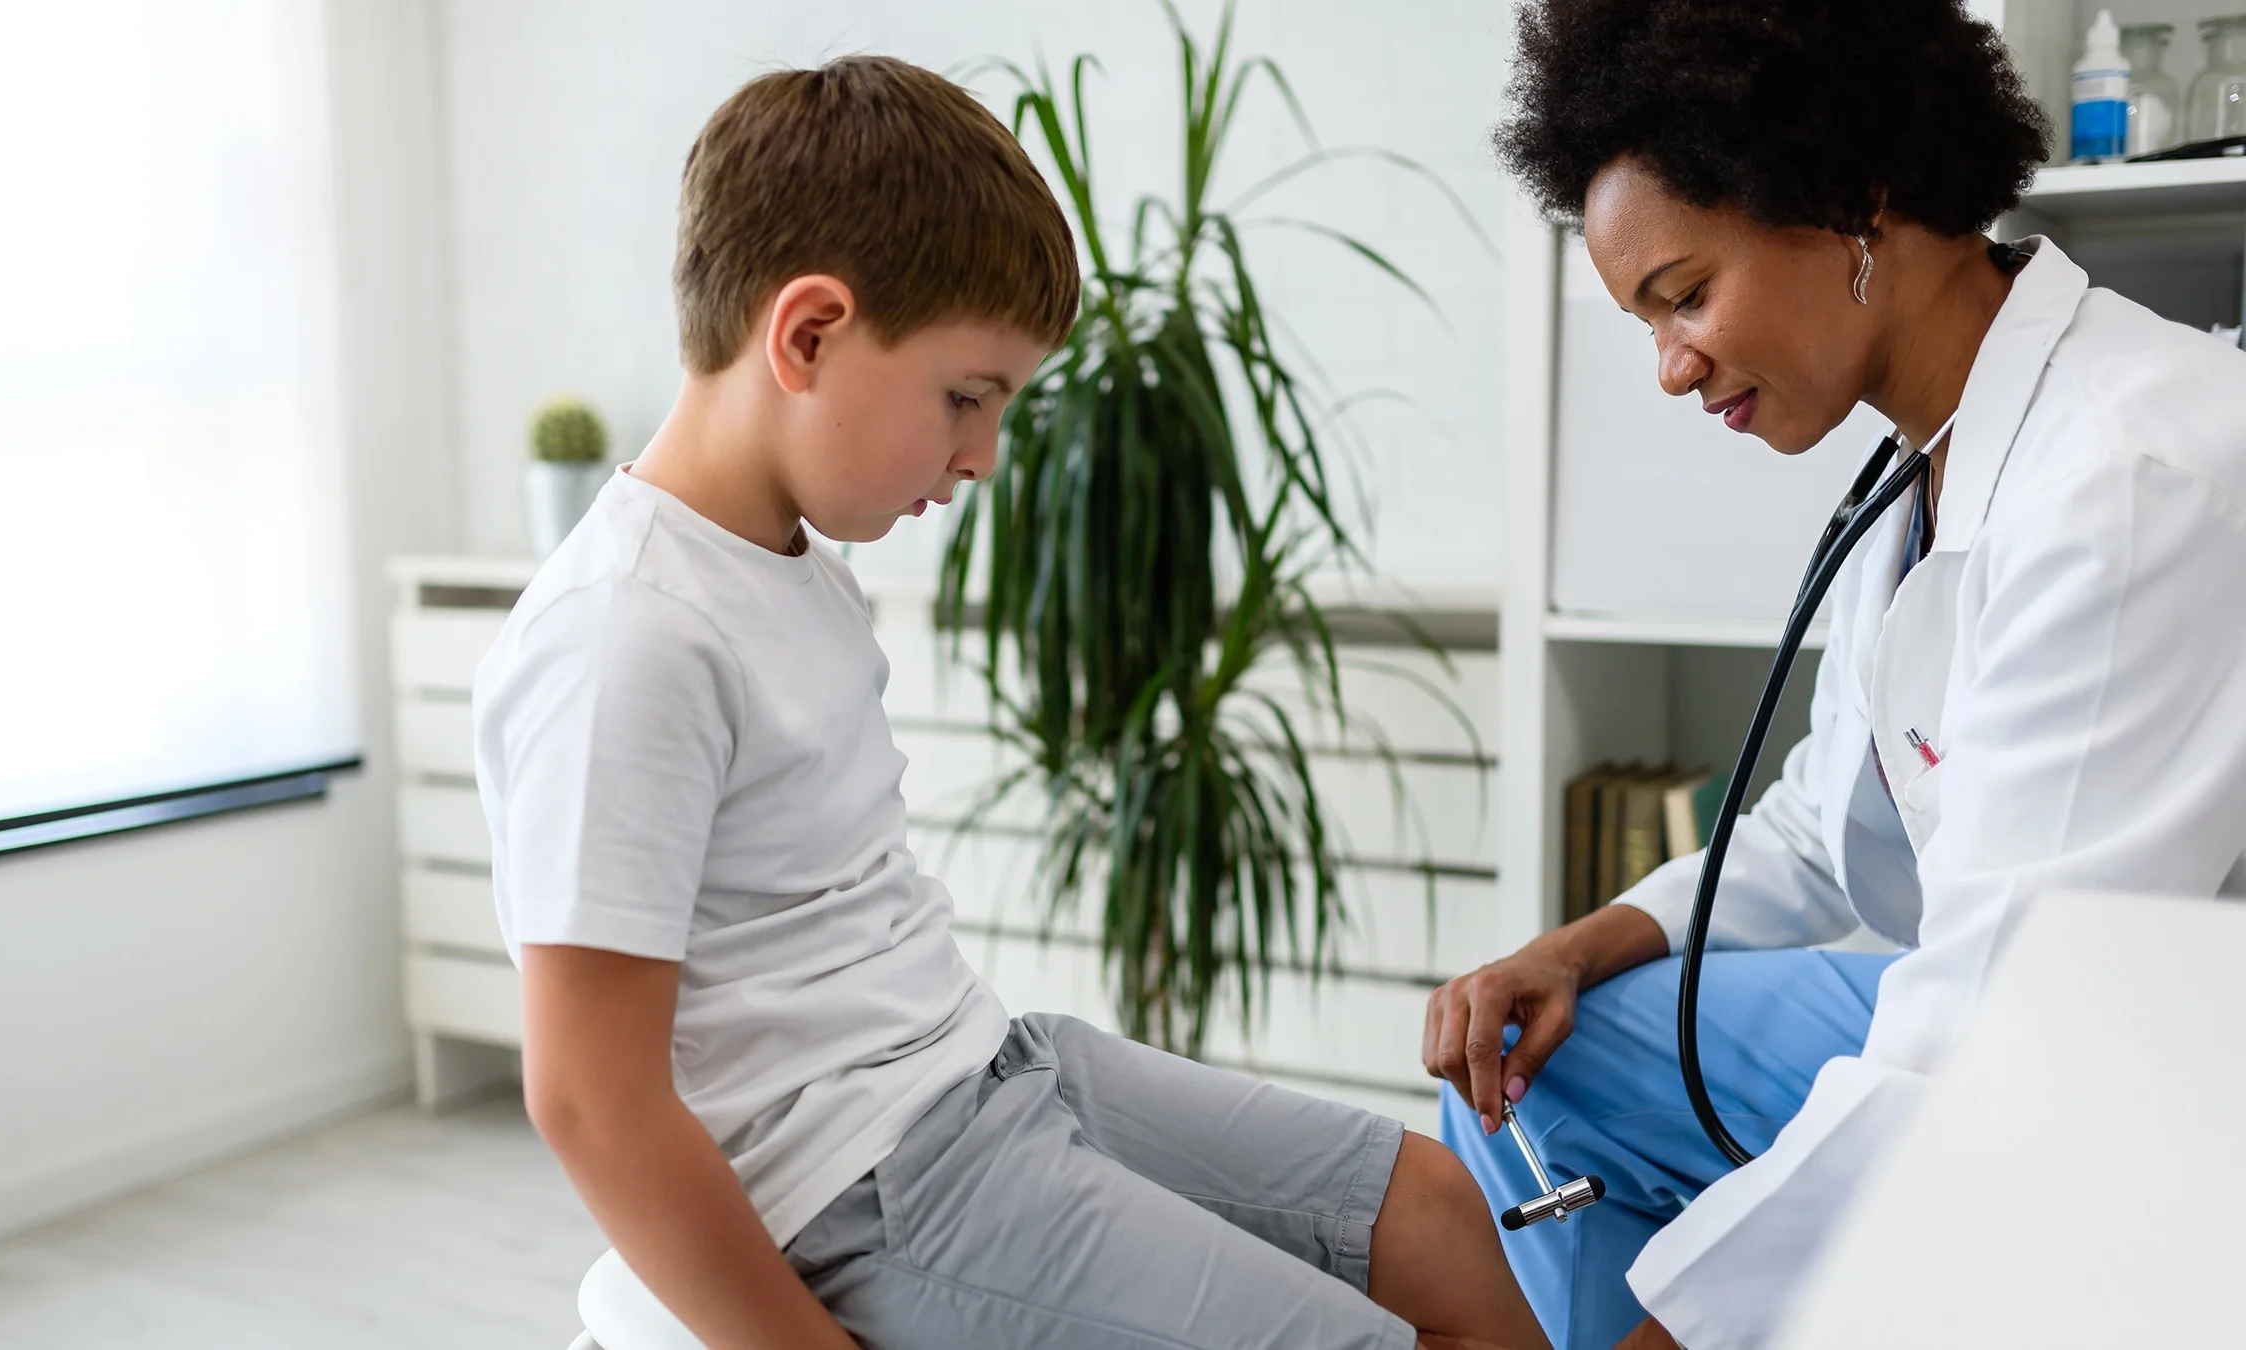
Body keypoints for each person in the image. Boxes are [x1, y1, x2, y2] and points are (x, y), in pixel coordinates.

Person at [474, 54, 1549, 1350]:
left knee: (1440, 1214)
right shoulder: (628, 635)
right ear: (807, 334)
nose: (982, 456)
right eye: (965, 397)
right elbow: (590, 1096)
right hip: (861, 1186)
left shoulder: (799, 570)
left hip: (990, 1065)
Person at [1419, 2, 2246, 1348]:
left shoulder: (2127, 477)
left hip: (2175, 1078)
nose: (1673, 366)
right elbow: (1825, 815)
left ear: (1855, 199)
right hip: (2027, 1018)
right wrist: (1568, 948)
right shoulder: (1928, 453)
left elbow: (1996, 1029)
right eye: (1645, 318)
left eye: (1686, 295)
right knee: (1522, 1063)